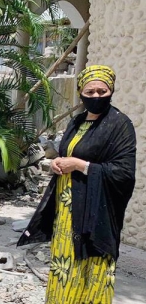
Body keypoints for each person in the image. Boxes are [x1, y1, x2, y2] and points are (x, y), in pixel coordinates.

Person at [17, 65, 136, 303]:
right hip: (67, 212)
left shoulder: (119, 125)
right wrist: (57, 164)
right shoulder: (76, 122)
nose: (96, 97)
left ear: (111, 91)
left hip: (95, 214)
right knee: (64, 269)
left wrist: (81, 165)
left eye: (102, 91)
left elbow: (124, 173)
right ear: (80, 91)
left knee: (92, 269)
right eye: (90, 92)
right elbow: (66, 154)